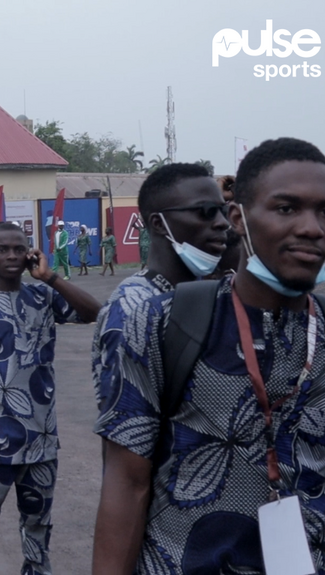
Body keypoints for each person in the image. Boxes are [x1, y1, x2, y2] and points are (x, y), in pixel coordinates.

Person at [92, 138, 325, 574]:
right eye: (286, 208)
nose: (312, 228)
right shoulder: (160, 323)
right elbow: (126, 484)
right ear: (239, 218)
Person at [0, 222, 100, 575]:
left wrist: (51, 278)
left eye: (19, 248)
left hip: (41, 439)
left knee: (37, 529)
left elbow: (94, 313)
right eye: (3, 249)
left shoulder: (43, 297)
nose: (12, 255)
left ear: (30, 252)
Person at [92, 163, 229, 463]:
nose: (222, 223)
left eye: (224, 211)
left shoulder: (209, 294)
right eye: (205, 211)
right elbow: (124, 440)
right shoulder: (132, 310)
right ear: (158, 223)